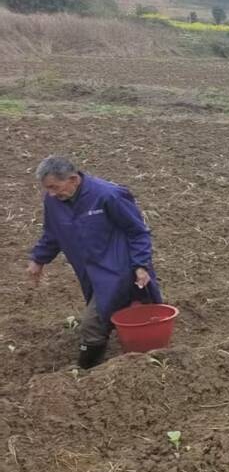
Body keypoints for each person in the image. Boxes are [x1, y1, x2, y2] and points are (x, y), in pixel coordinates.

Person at [26, 156, 162, 369]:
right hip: (89, 271)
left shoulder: (108, 195)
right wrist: (38, 259)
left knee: (92, 324)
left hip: (118, 270)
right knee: (112, 312)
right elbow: (53, 233)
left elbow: (137, 232)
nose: (52, 193)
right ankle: (139, 346)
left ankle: (86, 371)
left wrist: (140, 264)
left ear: (73, 179)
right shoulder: (54, 201)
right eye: (47, 189)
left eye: (55, 187)